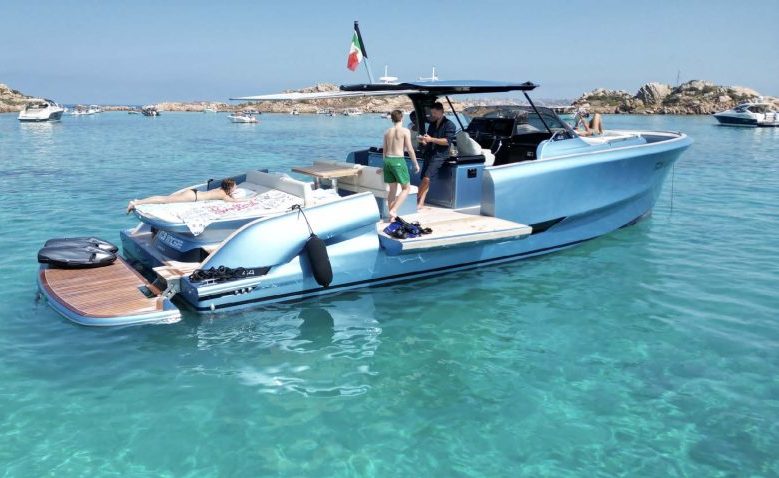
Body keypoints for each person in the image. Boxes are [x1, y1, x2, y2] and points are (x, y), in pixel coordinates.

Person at [381, 109, 420, 221]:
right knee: (406, 188)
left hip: (387, 161)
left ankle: (391, 217)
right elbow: (410, 149)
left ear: (392, 119)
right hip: (398, 160)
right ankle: (393, 210)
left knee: (392, 190)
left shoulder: (387, 132)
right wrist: (416, 164)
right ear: (402, 117)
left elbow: (384, 151)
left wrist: (384, 165)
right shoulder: (405, 131)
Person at [417, 102, 456, 208]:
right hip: (429, 153)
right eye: (432, 113)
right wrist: (424, 140)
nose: (433, 115)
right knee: (425, 179)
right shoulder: (432, 124)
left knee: (427, 178)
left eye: (435, 112)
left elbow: (447, 141)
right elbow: (429, 139)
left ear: (441, 111)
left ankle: (414, 199)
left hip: (440, 155)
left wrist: (431, 139)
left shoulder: (450, 125)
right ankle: (421, 203)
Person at [127, 178, 239, 213]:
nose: (236, 187)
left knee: (165, 198)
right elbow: (234, 201)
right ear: (230, 188)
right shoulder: (223, 195)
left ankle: (138, 201)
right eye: (235, 186)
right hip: (192, 197)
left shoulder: (220, 190)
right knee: (164, 200)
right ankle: (136, 202)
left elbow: (230, 196)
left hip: (193, 192)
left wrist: (231, 194)